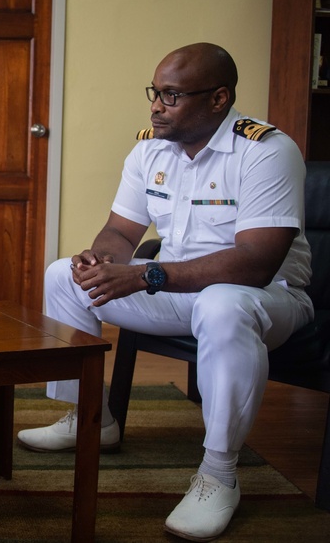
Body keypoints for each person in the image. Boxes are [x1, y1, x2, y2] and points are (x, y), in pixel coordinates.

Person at [17, 43, 314, 541]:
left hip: (265, 299)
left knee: (223, 304)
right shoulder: (150, 149)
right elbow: (120, 232)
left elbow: (256, 263)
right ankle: (92, 417)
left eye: (172, 96)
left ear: (218, 99)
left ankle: (219, 473)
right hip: (177, 290)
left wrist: (145, 276)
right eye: (156, 92)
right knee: (61, 273)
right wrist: (102, 260)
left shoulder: (266, 151)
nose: (156, 106)